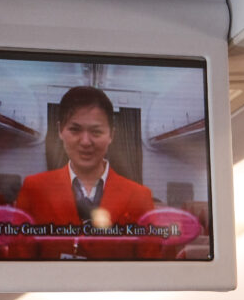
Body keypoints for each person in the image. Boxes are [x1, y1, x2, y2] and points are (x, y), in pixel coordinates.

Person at [15, 86, 157, 259]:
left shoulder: (140, 196)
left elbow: (148, 271)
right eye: (75, 130)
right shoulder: (34, 189)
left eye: (96, 132)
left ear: (111, 135)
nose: (85, 142)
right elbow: (20, 264)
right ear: (60, 131)